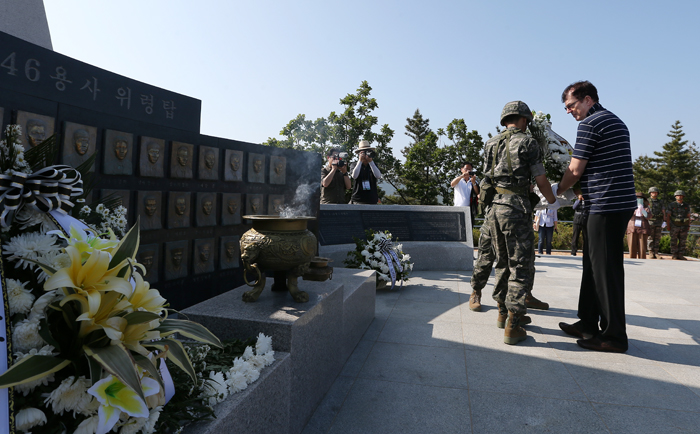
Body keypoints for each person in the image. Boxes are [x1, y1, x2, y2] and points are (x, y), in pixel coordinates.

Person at [556, 81, 636, 353]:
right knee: (593, 265)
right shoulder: (614, 120)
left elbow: (576, 169)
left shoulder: (590, 124)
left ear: (588, 99)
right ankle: (588, 322)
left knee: (606, 270)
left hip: (606, 204)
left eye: (571, 105)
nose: (569, 111)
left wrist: (555, 191)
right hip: (612, 203)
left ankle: (614, 336)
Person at [480, 101, 556, 345]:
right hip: (516, 209)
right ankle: (514, 322)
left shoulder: (491, 142)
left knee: (501, 262)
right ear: (524, 119)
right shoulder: (528, 142)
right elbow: (540, 178)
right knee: (520, 265)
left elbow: (485, 180)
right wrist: (553, 199)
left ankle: (502, 313)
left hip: (494, 210)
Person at [350, 140, 382, 204]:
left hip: (372, 199)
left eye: (368, 151)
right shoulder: (354, 165)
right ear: (359, 154)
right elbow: (354, 176)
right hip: (358, 199)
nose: (366, 154)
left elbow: (378, 176)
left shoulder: (373, 165)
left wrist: (371, 162)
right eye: (363, 152)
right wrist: (360, 161)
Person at [451, 162, 480, 230]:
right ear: (462, 169)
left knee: (468, 229)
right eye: (466, 169)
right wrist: (462, 176)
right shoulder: (459, 180)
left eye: (470, 169)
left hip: (469, 209)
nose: (468, 171)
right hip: (458, 208)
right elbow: (452, 184)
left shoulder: (473, 181)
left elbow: (477, 192)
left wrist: (473, 183)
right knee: (457, 228)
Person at [666, 190, 691, 260]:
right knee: (673, 240)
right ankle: (674, 254)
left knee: (683, 241)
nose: (679, 196)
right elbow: (668, 216)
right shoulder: (671, 205)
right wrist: (668, 225)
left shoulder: (686, 205)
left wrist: (688, 225)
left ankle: (680, 254)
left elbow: (688, 216)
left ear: (683, 196)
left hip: (684, 226)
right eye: (678, 195)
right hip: (674, 225)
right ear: (675, 196)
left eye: (681, 195)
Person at [626, 192, 651, 259]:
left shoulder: (647, 208)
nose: (639, 200)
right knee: (632, 247)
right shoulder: (630, 207)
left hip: (643, 229)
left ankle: (643, 263)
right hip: (632, 228)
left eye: (640, 199)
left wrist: (642, 210)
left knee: (642, 248)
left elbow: (648, 217)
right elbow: (627, 216)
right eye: (637, 198)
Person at [646, 187, 666, 259]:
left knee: (657, 238)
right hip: (650, 222)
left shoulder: (660, 202)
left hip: (658, 221)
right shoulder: (647, 201)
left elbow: (663, 211)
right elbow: (643, 210)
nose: (654, 193)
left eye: (656, 192)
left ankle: (656, 252)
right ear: (650, 193)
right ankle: (651, 252)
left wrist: (664, 221)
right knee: (650, 237)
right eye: (653, 192)